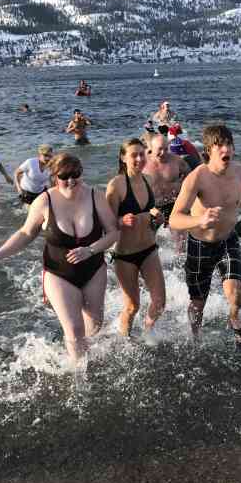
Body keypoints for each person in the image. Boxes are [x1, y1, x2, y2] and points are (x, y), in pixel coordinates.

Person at [0, 154, 119, 361]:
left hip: (93, 268)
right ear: (54, 176)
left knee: (95, 325)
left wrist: (91, 250)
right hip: (59, 273)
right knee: (74, 330)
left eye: (76, 174)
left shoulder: (96, 196)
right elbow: (25, 233)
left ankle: (88, 359)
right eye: (64, 176)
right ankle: (78, 376)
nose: (71, 181)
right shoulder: (44, 201)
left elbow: (113, 232)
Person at [169, 125, 241, 346]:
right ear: (209, 150)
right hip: (200, 244)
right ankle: (195, 336)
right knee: (198, 302)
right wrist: (200, 220)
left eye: (229, 144)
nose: (225, 149)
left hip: (228, 240)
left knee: (236, 295)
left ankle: (234, 318)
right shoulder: (197, 178)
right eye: (219, 145)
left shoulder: (239, 171)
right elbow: (174, 218)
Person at [106, 139, 166, 337]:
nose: (140, 159)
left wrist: (159, 218)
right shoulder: (116, 186)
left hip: (149, 249)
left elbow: (151, 213)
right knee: (133, 306)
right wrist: (121, 220)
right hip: (125, 255)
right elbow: (106, 225)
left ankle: (148, 333)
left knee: (160, 302)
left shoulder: (149, 180)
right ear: (123, 158)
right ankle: (125, 341)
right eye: (134, 155)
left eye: (142, 154)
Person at [143, 133, 190, 249]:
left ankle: (179, 266)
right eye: (159, 149)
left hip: (174, 204)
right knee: (146, 243)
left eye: (166, 149)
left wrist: (181, 185)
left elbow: (191, 177)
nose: (163, 153)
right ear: (151, 148)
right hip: (152, 207)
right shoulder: (142, 163)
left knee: (180, 243)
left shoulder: (176, 161)